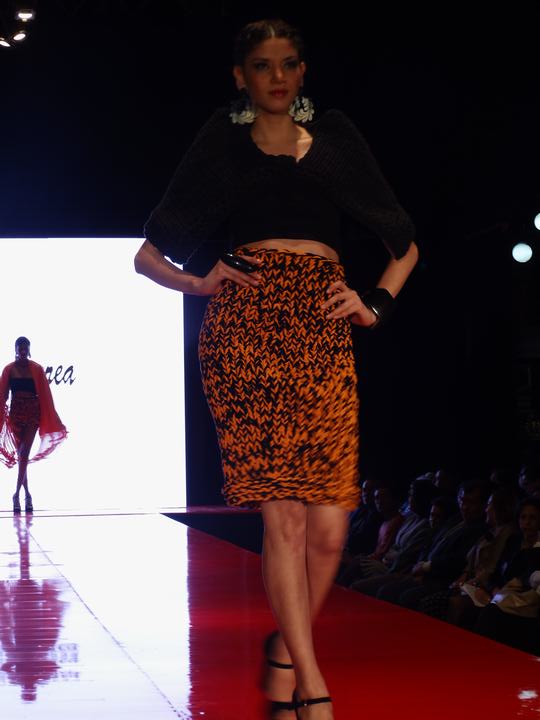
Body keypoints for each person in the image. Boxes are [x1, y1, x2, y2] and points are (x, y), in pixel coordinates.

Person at [134, 18, 419, 720]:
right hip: (247, 336)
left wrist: (375, 304)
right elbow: (148, 256)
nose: (278, 77)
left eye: (288, 63)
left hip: (322, 333)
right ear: (241, 77)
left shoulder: (335, 139)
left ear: (302, 71)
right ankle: (311, 687)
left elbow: (405, 245)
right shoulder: (223, 144)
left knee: (330, 531)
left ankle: (285, 653)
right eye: (262, 65)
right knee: (284, 521)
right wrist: (199, 282)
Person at [0, 337, 67, 513]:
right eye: (20, 348)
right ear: (15, 350)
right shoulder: (8, 370)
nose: (23, 351)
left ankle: (16, 495)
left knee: (24, 453)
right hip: (16, 415)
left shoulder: (37, 369)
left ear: (29, 350)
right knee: (22, 457)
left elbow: (46, 396)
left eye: (25, 348)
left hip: (32, 414)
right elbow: (2, 396)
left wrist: (54, 418)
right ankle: (28, 495)